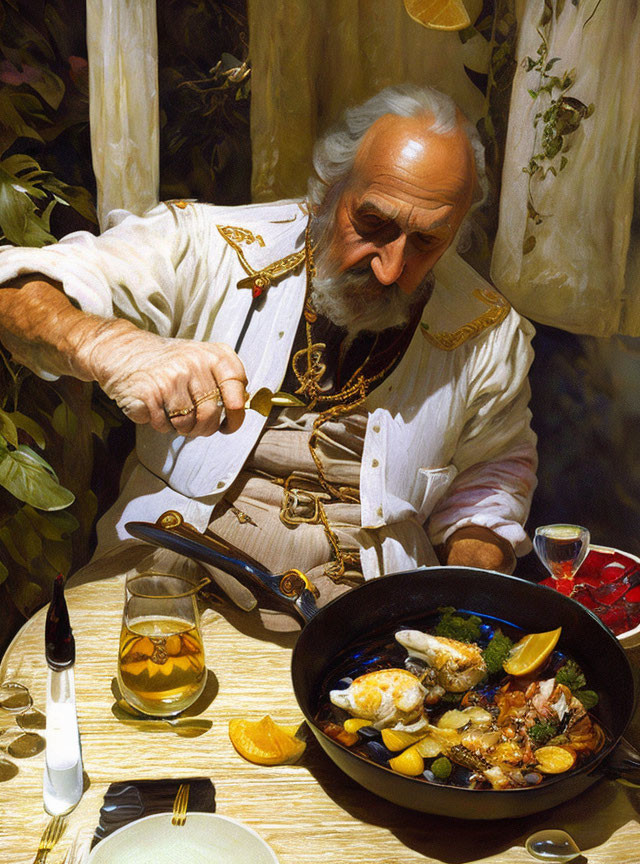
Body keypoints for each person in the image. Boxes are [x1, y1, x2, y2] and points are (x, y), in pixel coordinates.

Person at [0, 85, 536, 625]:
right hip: (168, 580)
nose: (391, 269)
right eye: (372, 223)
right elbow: (12, 290)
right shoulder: (209, 246)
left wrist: (465, 606)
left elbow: (490, 481)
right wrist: (112, 346)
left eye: (425, 242)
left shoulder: (487, 332)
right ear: (329, 188)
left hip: (368, 616)